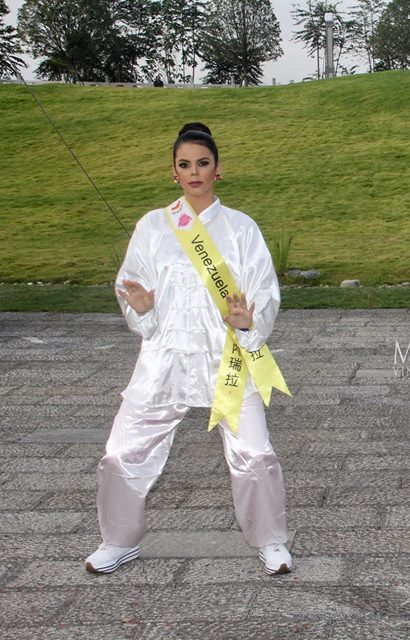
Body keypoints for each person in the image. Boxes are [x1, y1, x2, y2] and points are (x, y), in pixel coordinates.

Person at [84, 123, 293, 575]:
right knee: (121, 452)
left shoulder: (241, 228)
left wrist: (248, 320)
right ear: (173, 173)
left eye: (203, 163)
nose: (194, 172)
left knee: (255, 454)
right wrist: (140, 308)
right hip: (164, 359)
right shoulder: (154, 227)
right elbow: (131, 285)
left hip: (227, 358)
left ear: (218, 170)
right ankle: (118, 540)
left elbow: (265, 291)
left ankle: (271, 540)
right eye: (184, 165)